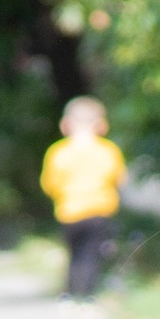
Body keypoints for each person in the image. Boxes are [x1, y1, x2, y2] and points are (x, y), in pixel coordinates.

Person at [42, 92, 126, 294]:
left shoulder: (58, 152)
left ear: (65, 125)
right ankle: (87, 295)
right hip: (99, 210)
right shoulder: (108, 150)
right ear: (102, 125)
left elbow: (49, 184)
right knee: (91, 254)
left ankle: (71, 294)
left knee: (74, 254)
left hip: (69, 211)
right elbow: (119, 179)